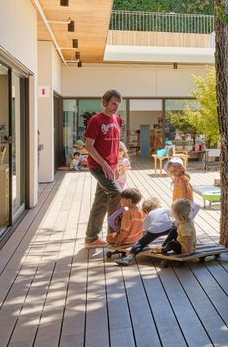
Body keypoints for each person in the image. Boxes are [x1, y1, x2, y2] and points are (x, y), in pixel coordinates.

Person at [83, 89, 124, 247]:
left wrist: (116, 164)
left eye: (118, 104)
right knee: (116, 194)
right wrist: (105, 164)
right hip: (98, 166)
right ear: (104, 103)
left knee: (100, 202)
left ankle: (91, 238)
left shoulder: (118, 120)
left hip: (110, 167)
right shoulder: (96, 120)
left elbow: (114, 145)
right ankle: (112, 235)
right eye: (113, 103)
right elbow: (88, 146)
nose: (116, 107)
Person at [116, 197, 201, 265]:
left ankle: (129, 257)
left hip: (155, 231)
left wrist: (146, 242)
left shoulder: (149, 214)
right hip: (168, 227)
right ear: (158, 205)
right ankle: (163, 246)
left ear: (146, 211)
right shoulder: (165, 209)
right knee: (174, 230)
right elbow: (175, 215)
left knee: (141, 242)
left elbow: (145, 229)